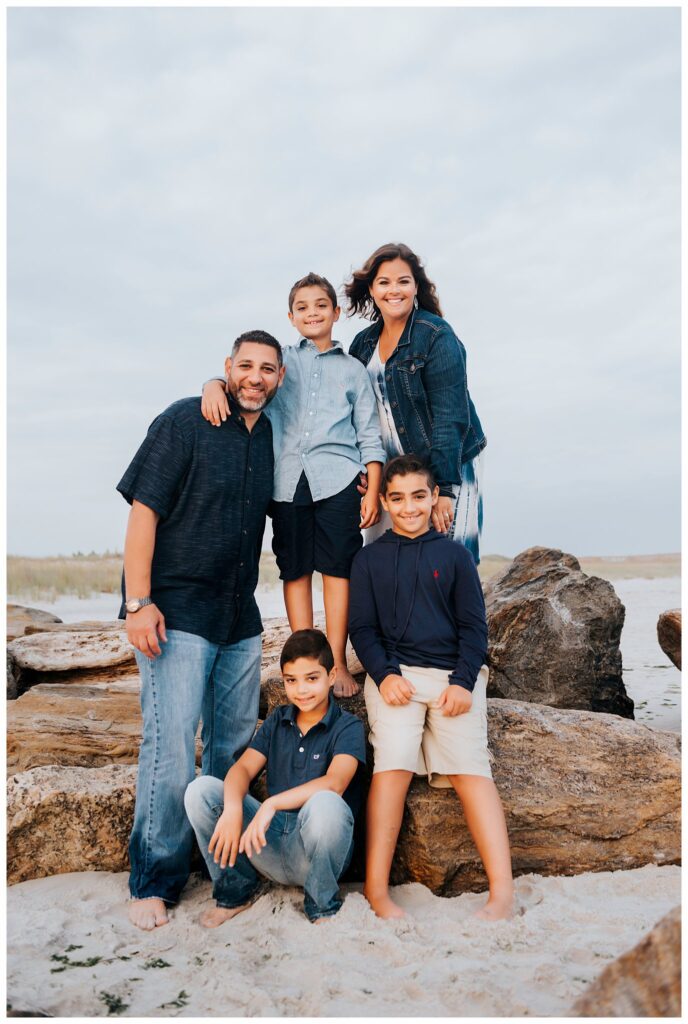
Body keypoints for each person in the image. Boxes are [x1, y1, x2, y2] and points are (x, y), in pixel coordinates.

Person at [117, 330, 285, 931]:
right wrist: (139, 602)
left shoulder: (270, 435)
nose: (255, 377)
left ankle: (228, 878)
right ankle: (154, 880)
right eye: (244, 366)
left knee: (231, 754)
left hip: (239, 619)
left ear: (280, 379)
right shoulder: (186, 420)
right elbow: (143, 511)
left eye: (268, 369)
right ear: (226, 368)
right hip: (175, 613)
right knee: (168, 752)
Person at [200, 273, 385, 697]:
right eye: (302, 307)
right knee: (295, 570)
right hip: (285, 482)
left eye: (321, 305)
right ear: (291, 316)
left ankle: (336, 663)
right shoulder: (279, 362)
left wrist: (372, 488)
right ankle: (306, 663)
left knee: (337, 571)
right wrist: (211, 384)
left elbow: (369, 434)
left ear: (336, 313)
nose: (312, 313)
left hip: (339, 479)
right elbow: (241, 381)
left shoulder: (353, 370)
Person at [348, 454, 513, 921]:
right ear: (383, 503)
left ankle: (502, 892)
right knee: (393, 765)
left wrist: (463, 683)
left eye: (419, 497)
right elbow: (362, 629)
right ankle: (377, 891)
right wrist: (385, 676)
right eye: (397, 499)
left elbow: (474, 630)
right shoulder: (368, 560)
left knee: (471, 770)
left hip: (451, 681)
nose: (409, 508)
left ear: (434, 498)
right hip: (396, 677)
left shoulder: (455, 556)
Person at [184, 628, 366, 925]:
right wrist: (232, 810)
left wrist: (271, 804)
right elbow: (242, 769)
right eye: (291, 680)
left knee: (327, 804)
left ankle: (321, 904)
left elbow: (335, 783)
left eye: (312, 678)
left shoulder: (347, 727)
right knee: (201, 790)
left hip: (312, 853)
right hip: (265, 844)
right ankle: (237, 891)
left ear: (332, 676)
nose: (302, 690)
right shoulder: (277, 720)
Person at [345, 242, 486, 563]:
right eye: (384, 282)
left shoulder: (436, 335)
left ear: (415, 287)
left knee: (450, 557)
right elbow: (352, 413)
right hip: (392, 474)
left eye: (403, 281)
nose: (393, 290)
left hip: (446, 464)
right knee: (391, 560)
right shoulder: (363, 344)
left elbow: (451, 417)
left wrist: (445, 490)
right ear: (371, 289)